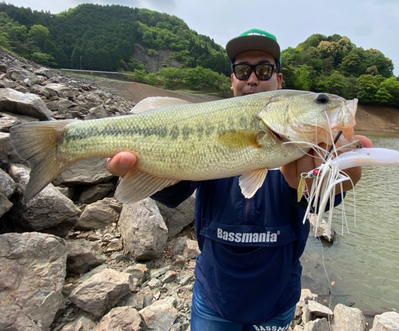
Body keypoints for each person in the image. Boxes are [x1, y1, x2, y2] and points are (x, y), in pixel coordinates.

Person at [107, 29, 373, 330]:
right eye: (242, 70)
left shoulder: (310, 144)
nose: (252, 79)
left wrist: (322, 186)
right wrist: (154, 173)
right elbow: (174, 192)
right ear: (232, 80)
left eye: (264, 69)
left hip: (276, 299)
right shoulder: (212, 119)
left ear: (280, 81)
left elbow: (314, 199)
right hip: (214, 297)